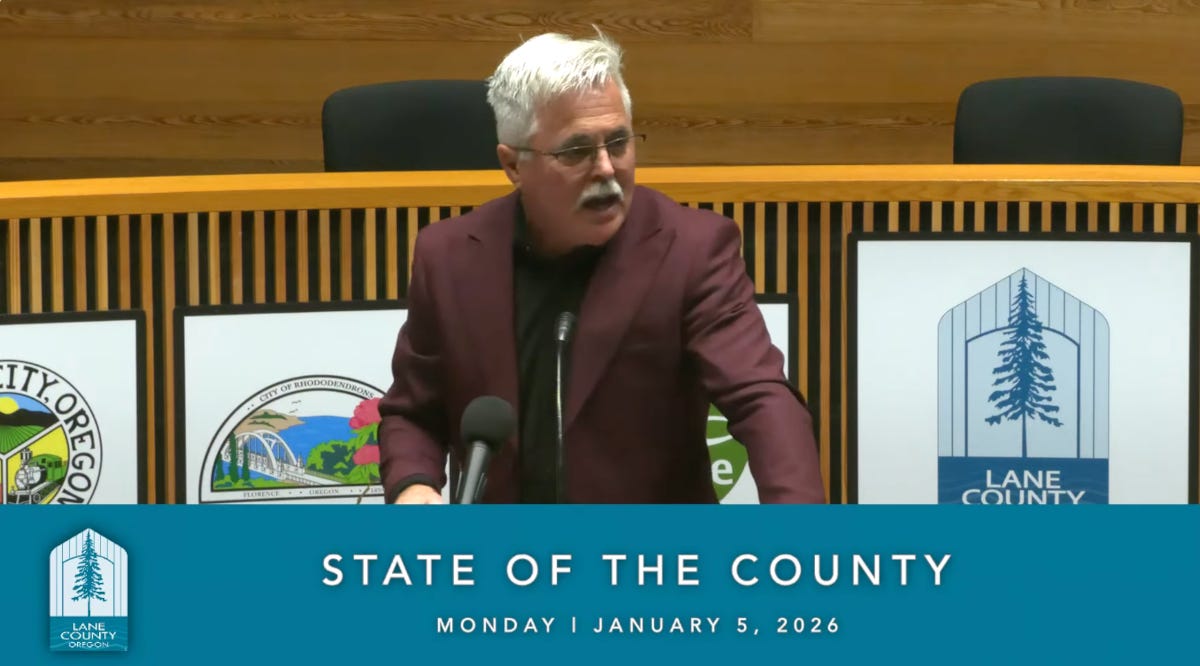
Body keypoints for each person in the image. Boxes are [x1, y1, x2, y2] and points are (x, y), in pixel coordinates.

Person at [378, 31, 824, 504]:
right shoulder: (449, 258)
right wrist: (413, 483)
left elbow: (760, 398)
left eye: (618, 142)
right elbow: (413, 412)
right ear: (513, 165)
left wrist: (797, 525)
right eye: (576, 151)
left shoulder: (692, 250)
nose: (607, 169)